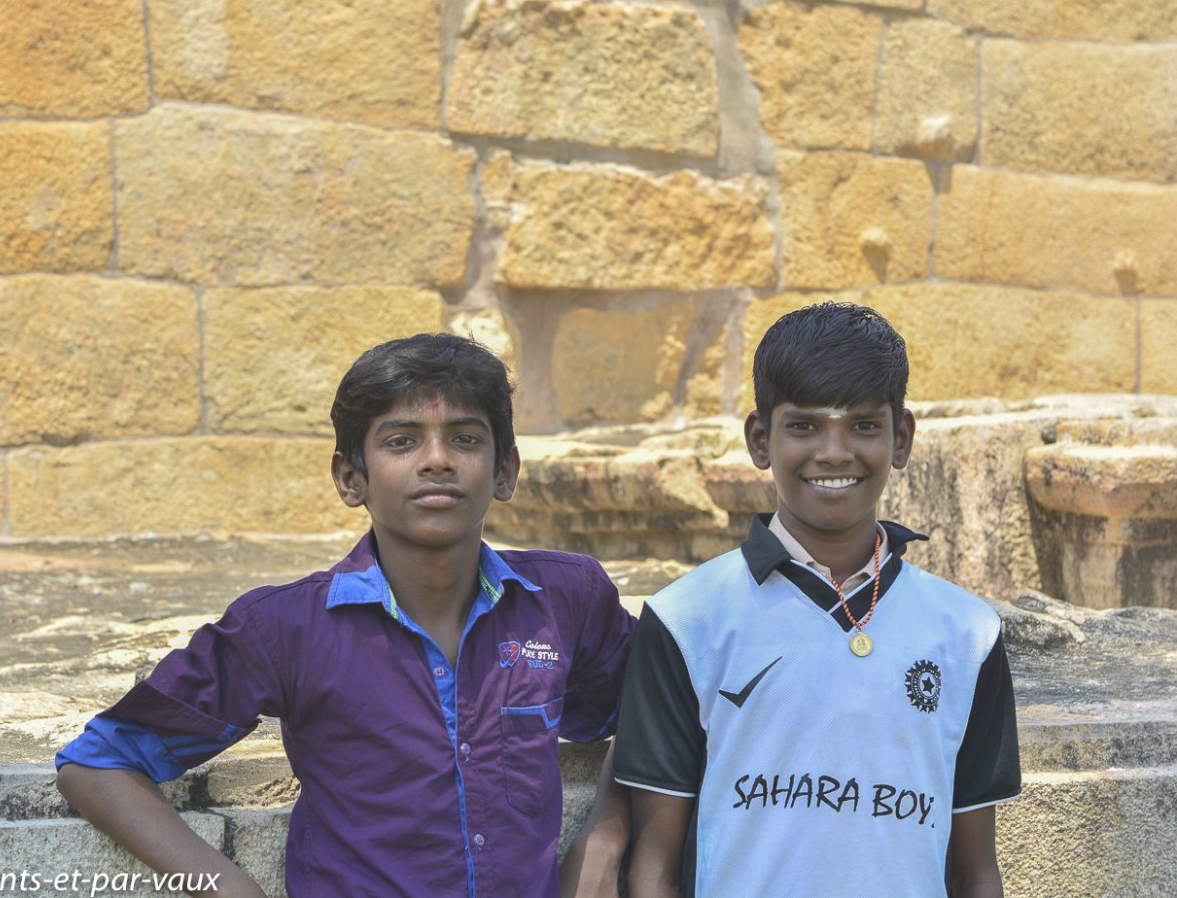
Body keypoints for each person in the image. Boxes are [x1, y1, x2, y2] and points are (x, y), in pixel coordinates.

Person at [55, 333, 636, 898]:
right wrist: (228, 888)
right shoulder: (287, 628)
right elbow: (98, 765)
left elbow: (660, 712)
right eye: (402, 442)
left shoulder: (564, 599)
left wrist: (603, 842)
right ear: (350, 478)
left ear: (504, 470)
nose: (437, 460)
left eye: (464, 438)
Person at [613, 302, 1020, 897]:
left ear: (900, 438)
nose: (834, 452)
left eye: (863, 425)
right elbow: (654, 867)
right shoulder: (688, 619)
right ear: (760, 438)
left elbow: (974, 870)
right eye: (804, 426)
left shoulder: (967, 633)